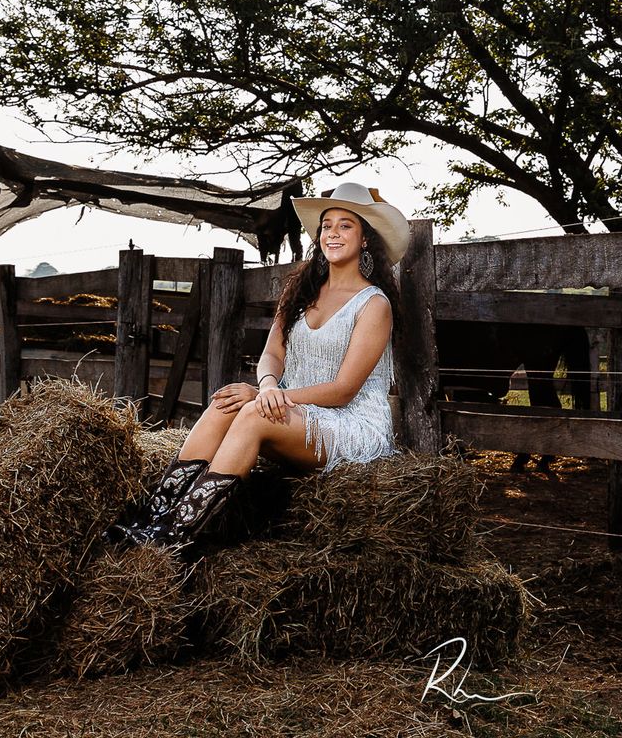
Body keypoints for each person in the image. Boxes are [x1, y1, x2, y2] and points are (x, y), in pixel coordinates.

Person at [112, 181, 409, 554]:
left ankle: (176, 535)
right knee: (227, 403)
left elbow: (344, 389)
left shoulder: (373, 304)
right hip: (296, 409)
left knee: (253, 414)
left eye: (345, 225)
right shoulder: (302, 292)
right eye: (327, 225)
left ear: (365, 239)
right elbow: (272, 354)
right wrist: (268, 385)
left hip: (350, 425)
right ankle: (153, 514)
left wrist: (269, 396)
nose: (333, 233)